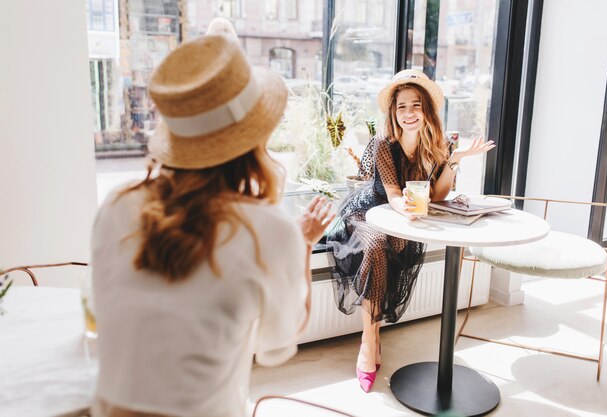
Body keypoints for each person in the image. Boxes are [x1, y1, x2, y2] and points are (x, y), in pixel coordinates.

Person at [90, 34, 334, 417]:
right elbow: (278, 343)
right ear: (256, 135)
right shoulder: (267, 231)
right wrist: (302, 242)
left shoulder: (117, 204)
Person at [326, 69, 494, 392]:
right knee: (376, 245)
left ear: (426, 108)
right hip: (368, 212)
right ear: (393, 112)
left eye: (415, 105)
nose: (408, 113)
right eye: (401, 107)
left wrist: (454, 160)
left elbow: (438, 195)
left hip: (403, 216)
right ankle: (369, 341)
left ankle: (372, 338)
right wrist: (409, 212)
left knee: (393, 248)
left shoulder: (439, 144)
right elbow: (390, 196)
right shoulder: (383, 143)